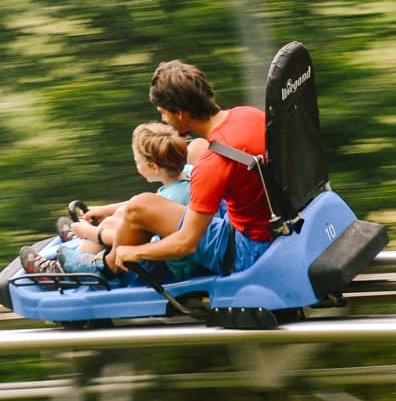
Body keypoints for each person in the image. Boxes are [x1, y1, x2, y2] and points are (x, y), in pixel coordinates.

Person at [98, 59, 275, 280]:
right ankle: (112, 229)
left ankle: (104, 266)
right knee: (197, 148)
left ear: (179, 113)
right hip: (269, 222)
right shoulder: (248, 114)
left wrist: (134, 251)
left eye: (163, 113)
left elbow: (186, 243)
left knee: (140, 206)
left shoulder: (213, 162)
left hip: (248, 251)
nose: (163, 119)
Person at [21, 122, 196, 279]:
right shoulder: (187, 175)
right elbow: (144, 204)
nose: (137, 166)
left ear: (153, 167)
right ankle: (83, 243)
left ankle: (58, 271)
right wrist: (107, 210)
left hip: (172, 267)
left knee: (112, 224)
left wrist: (88, 232)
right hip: (174, 253)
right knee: (118, 215)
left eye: (138, 162)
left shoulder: (171, 198)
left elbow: (135, 240)